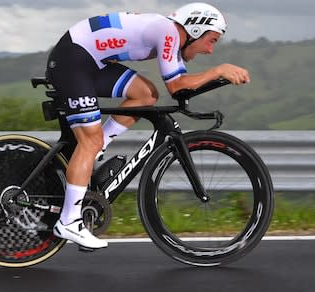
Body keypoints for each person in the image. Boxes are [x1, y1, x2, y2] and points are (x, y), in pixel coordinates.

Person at [47, 2, 251, 249]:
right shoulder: (169, 32)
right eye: (212, 40)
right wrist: (219, 70)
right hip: (74, 59)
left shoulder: (170, 35)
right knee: (89, 142)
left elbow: (182, 86)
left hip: (92, 61)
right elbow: (177, 86)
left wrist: (217, 77)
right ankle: (68, 222)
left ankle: (98, 145)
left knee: (145, 94)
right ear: (196, 29)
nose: (210, 50)